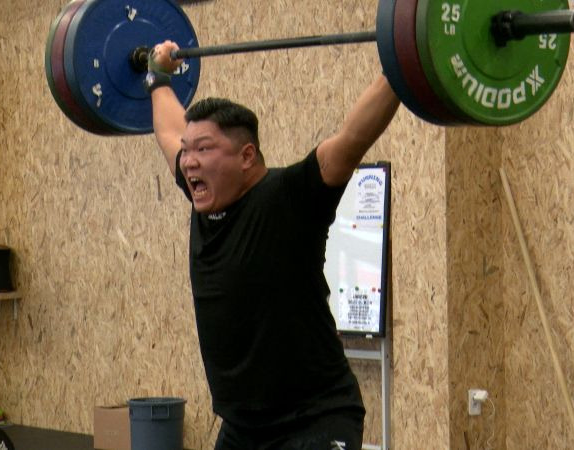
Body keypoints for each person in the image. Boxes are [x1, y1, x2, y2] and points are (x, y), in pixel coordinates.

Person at [144, 40, 400, 450]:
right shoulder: (203, 196)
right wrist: (158, 79)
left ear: (246, 157)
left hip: (315, 418)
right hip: (243, 427)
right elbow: (169, 132)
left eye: (204, 149)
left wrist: (403, 66)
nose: (189, 160)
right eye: (188, 151)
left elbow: (352, 139)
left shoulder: (289, 196)